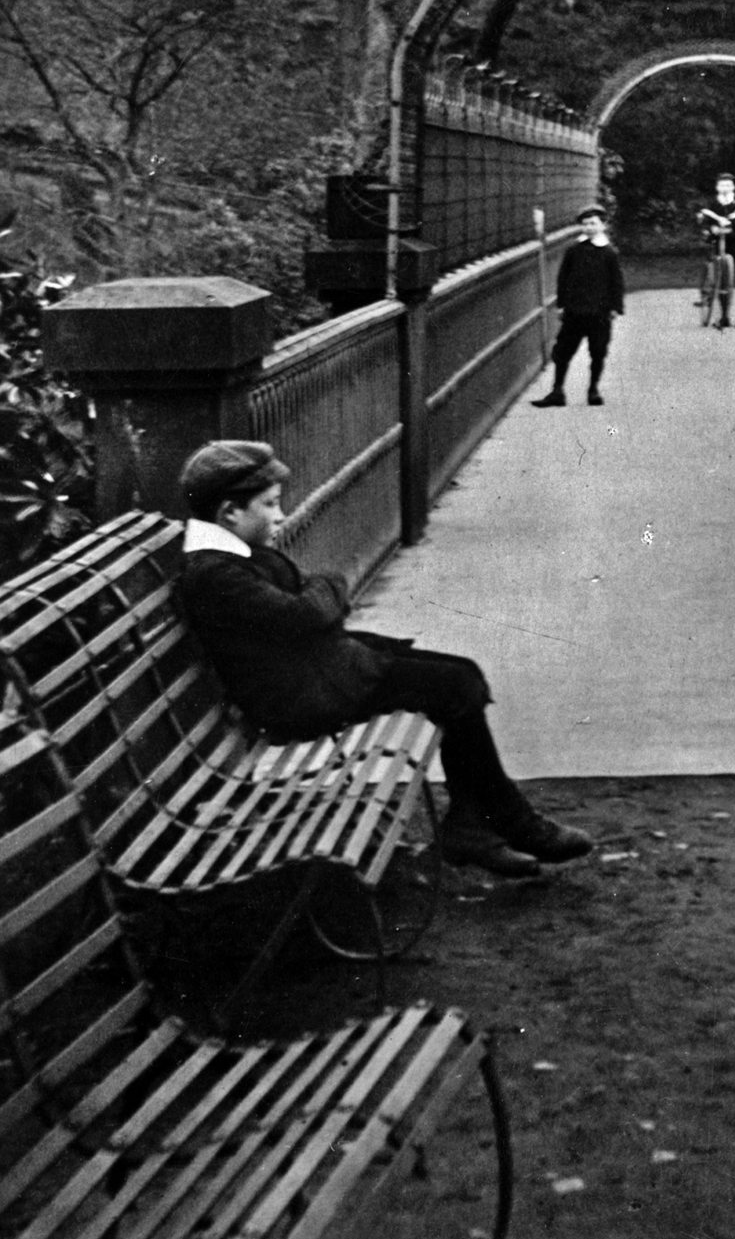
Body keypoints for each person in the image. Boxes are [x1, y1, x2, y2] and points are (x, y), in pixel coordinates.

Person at [177, 438, 592, 879]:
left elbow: (309, 607)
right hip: (303, 698)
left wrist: (321, 595)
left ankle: (477, 824)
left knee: (462, 677)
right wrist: (329, 586)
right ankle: (508, 822)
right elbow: (308, 610)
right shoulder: (218, 574)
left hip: (317, 672)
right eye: (270, 504)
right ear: (229, 513)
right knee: (456, 686)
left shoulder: (230, 557)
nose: (280, 516)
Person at [533, 202, 625, 407]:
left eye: (593, 223)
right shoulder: (574, 250)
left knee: (598, 351)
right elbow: (563, 278)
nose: (589, 227)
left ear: (602, 225)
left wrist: (615, 307)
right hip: (575, 311)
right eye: (585, 224)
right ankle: (557, 391)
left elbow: (616, 282)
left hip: (599, 312)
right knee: (563, 351)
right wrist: (561, 304)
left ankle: (593, 389)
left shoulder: (609, 253)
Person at [697, 172, 735, 328]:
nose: (725, 188)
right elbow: (705, 221)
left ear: (733, 187)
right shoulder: (713, 203)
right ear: (717, 187)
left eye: (728, 185)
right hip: (720, 243)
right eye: (722, 185)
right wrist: (711, 228)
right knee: (721, 280)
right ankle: (724, 315)